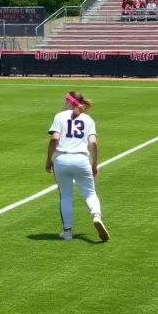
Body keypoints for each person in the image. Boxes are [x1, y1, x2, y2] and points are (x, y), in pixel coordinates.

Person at [45, 91, 109, 242]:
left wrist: (48, 159)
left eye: (64, 99)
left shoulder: (59, 117)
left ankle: (67, 232)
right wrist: (94, 164)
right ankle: (96, 216)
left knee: (66, 196)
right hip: (81, 160)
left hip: (62, 160)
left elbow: (54, 139)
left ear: (69, 101)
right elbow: (93, 143)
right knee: (90, 193)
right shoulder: (88, 119)